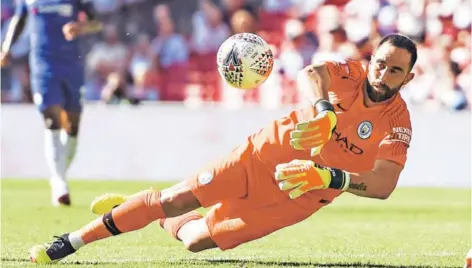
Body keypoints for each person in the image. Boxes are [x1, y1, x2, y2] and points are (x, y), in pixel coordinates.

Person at [29, 34, 416, 263]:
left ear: (409, 77)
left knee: (196, 242)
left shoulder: (398, 122)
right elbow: (313, 73)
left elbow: (384, 184)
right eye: (379, 64)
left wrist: (329, 177)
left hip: (297, 198)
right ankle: (71, 241)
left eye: (395, 70)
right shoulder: (350, 71)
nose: (382, 75)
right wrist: (324, 112)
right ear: (371, 60)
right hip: (260, 155)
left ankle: (142, 206)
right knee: (178, 199)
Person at [0, 0, 102, 206]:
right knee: (50, 118)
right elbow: (18, 21)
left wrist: (81, 26)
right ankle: (59, 182)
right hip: (43, 66)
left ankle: (60, 174)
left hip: (72, 65)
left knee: (73, 124)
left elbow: (96, 21)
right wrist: (6, 48)